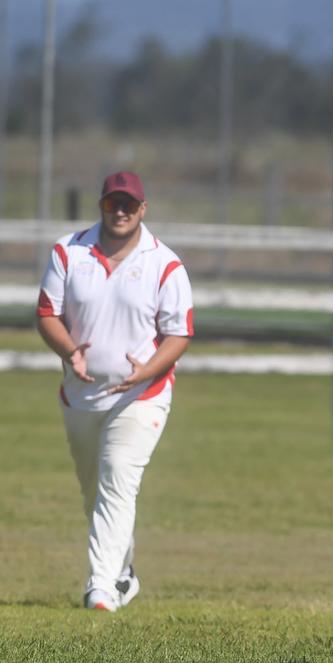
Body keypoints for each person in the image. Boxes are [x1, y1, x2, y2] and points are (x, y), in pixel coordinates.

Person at [36, 171, 194, 612]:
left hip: (141, 395)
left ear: (143, 209)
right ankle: (123, 569)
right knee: (96, 493)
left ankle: (100, 589)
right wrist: (70, 351)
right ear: (102, 205)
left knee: (118, 474)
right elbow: (47, 313)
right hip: (81, 395)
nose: (120, 211)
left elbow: (179, 334)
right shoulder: (68, 252)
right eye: (112, 203)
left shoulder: (166, 265)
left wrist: (147, 370)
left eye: (129, 204)